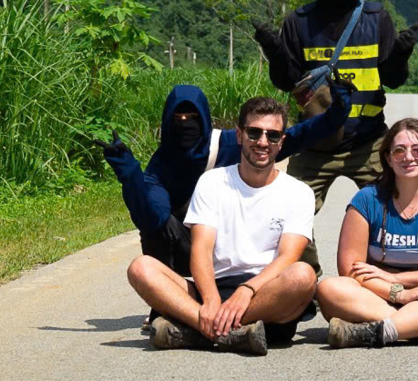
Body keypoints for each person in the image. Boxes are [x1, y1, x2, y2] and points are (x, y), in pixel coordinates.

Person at [96, 83, 348, 331]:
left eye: (193, 117)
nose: (186, 124)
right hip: (201, 257)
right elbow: (154, 222)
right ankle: (221, 326)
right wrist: (131, 178)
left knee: (303, 276)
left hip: (266, 277)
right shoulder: (165, 166)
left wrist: (337, 112)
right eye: (179, 118)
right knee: (141, 265)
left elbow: (300, 135)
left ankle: (193, 324)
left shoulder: (232, 144)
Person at [254, 0, 418, 273]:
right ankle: (304, 277)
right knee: (286, 214)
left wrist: (400, 53)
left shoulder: (376, 17)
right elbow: (287, 80)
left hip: (368, 142)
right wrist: (274, 50)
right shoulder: (300, 22)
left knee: (393, 210)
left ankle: (382, 276)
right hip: (314, 143)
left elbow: (393, 78)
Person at [125, 97, 319, 355]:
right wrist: (211, 299)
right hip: (213, 290)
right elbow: (201, 250)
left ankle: (197, 331)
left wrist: (247, 290)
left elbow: (288, 257)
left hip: (266, 293)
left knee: (303, 276)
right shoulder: (212, 182)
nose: (262, 142)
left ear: (281, 142)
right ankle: (230, 333)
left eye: (272, 136)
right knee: (141, 268)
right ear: (239, 135)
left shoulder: (299, 192)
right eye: (254, 132)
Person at [316, 118, 418, 348]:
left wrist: (396, 278)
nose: (408, 157)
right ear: (388, 158)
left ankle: (378, 332)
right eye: (399, 151)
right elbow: (350, 269)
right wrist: (398, 293)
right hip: (377, 296)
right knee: (329, 289)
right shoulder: (366, 200)